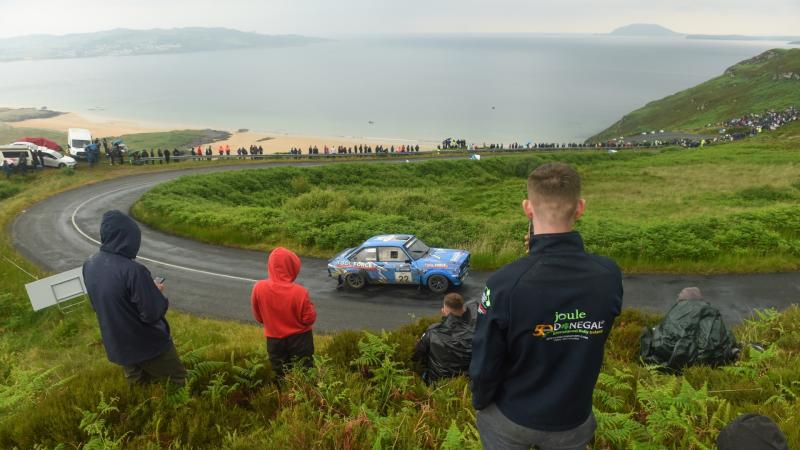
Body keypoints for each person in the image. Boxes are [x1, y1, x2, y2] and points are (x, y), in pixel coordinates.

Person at [469, 162, 623, 450]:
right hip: (572, 418)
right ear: (580, 208)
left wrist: (480, 401)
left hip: (511, 417)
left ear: (527, 208)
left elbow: (485, 360)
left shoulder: (504, 284)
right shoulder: (609, 276)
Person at [83, 210, 186, 385]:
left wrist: (144, 290)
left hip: (119, 344)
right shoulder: (134, 271)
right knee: (178, 381)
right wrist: (153, 291)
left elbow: (98, 304)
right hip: (147, 345)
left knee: (139, 389)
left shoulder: (90, 264)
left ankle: (147, 412)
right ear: (127, 238)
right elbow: (152, 312)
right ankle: (178, 412)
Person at [251, 247, 317, 381]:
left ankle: (284, 398)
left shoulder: (259, 287)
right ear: (292, 267)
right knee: (305, 373)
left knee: (280, 374)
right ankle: (306, 398)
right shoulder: (300, 292)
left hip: (274, 340)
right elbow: (309, 319)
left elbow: (259, 317)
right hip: (301, 340)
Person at [639, 287, 739, 372]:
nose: (678, 295)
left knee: (649, 334)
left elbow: (665, 331)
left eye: (681, 294)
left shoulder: (679, 309)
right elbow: (724, 334)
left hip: (674, 351)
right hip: (711, 355)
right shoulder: (711, 310)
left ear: (687, 297)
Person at [412, 293, 474, 383]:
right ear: (463, 310)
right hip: (462, 384)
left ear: (444, 311)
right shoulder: (474, 334)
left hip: (434, 382)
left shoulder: (432, 331)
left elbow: (417, 355)